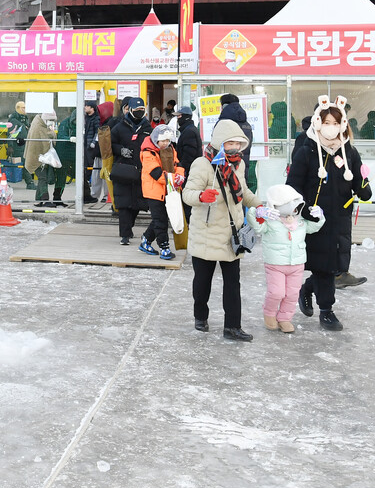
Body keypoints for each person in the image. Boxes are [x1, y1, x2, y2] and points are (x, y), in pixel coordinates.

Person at [286, 96, 372, 331]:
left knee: (334, 265)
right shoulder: (307, 151)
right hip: (315, 219)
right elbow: (293, 185)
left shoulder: (349, 153)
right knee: (323, 266)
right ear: (317, 122)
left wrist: (364, 185)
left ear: (343, 124)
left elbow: (360, 186)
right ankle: (327, 311)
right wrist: (303, 210)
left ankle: (307, 289)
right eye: (327, 122)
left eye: (336, 122)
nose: (331, 127)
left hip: (341, 219)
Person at [181, 118, 263, 340]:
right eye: (230, 143)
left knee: (233, 283)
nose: (235, 148)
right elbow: (187, 194)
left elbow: (243, 191)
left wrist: (260, 205)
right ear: (219, 142)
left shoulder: (239, 164)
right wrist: (201, 196)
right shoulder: (202, 163)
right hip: (206, 233)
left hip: (231, 234)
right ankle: (200, 316)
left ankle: (232, 326)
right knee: (202, 283)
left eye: (238, 144)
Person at [249, 184, 325, 333]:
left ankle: (285, 318)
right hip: (275, 264)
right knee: (276, 292)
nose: (294, 209)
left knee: (292, 294)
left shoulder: (301, 221)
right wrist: (256, 212)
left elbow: (314, 227)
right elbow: (256, 226)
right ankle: (269, 314)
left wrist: (320, 216)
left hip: (296, 264)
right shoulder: (270, 221)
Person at [111, 97, 153, 244]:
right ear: (130, 110)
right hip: (123, 170)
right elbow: (108, 145)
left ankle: (129, 227)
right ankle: (125, 234)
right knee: (123, 204)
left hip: (141, 171)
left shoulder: (148, 128)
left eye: (142, 111)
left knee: (136, 204)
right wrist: (120, 150)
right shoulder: (119, 127)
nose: (139, 113)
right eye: (136, 111)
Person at [139, 124, 184, 260]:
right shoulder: (148, 152)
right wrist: (173, 179)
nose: (165, 143)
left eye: (167, 141)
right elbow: (156, 173)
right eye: (162, 141)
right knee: (160, 220)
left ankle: (146, 240)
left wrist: (180, 175)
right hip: (154, 191)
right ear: (155, 140)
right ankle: (164, 247)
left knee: (162, 218)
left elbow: (178, 164)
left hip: (169, 189)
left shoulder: (171, 149)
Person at [218, 94, 257, 191]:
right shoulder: (245, 123)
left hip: (225, 166)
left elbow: (217, 144)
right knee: (241, 191)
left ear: (224, 106)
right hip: (243, 163)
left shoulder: (224, 123)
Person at [25, 110, 59, 207]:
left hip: (39, 157)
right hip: (38, 157)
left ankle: (38, 200)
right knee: (43, 177)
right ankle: (45, 199)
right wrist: (52, 134)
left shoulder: (40, 124)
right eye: (50, 120)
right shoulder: (39, 127)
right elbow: (46, 142)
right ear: (46, 118)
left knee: (41, 178)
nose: (51, 122)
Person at [81, 101, 100, 202]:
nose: (85, 107)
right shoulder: (85, 118)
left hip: (91, 147)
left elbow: (98, 131)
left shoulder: (96, 118)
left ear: (92, 108)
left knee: (91, 168)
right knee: (85, 167)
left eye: (87, 106)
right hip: (85, 146)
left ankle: (90, 187)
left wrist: (93, 142)